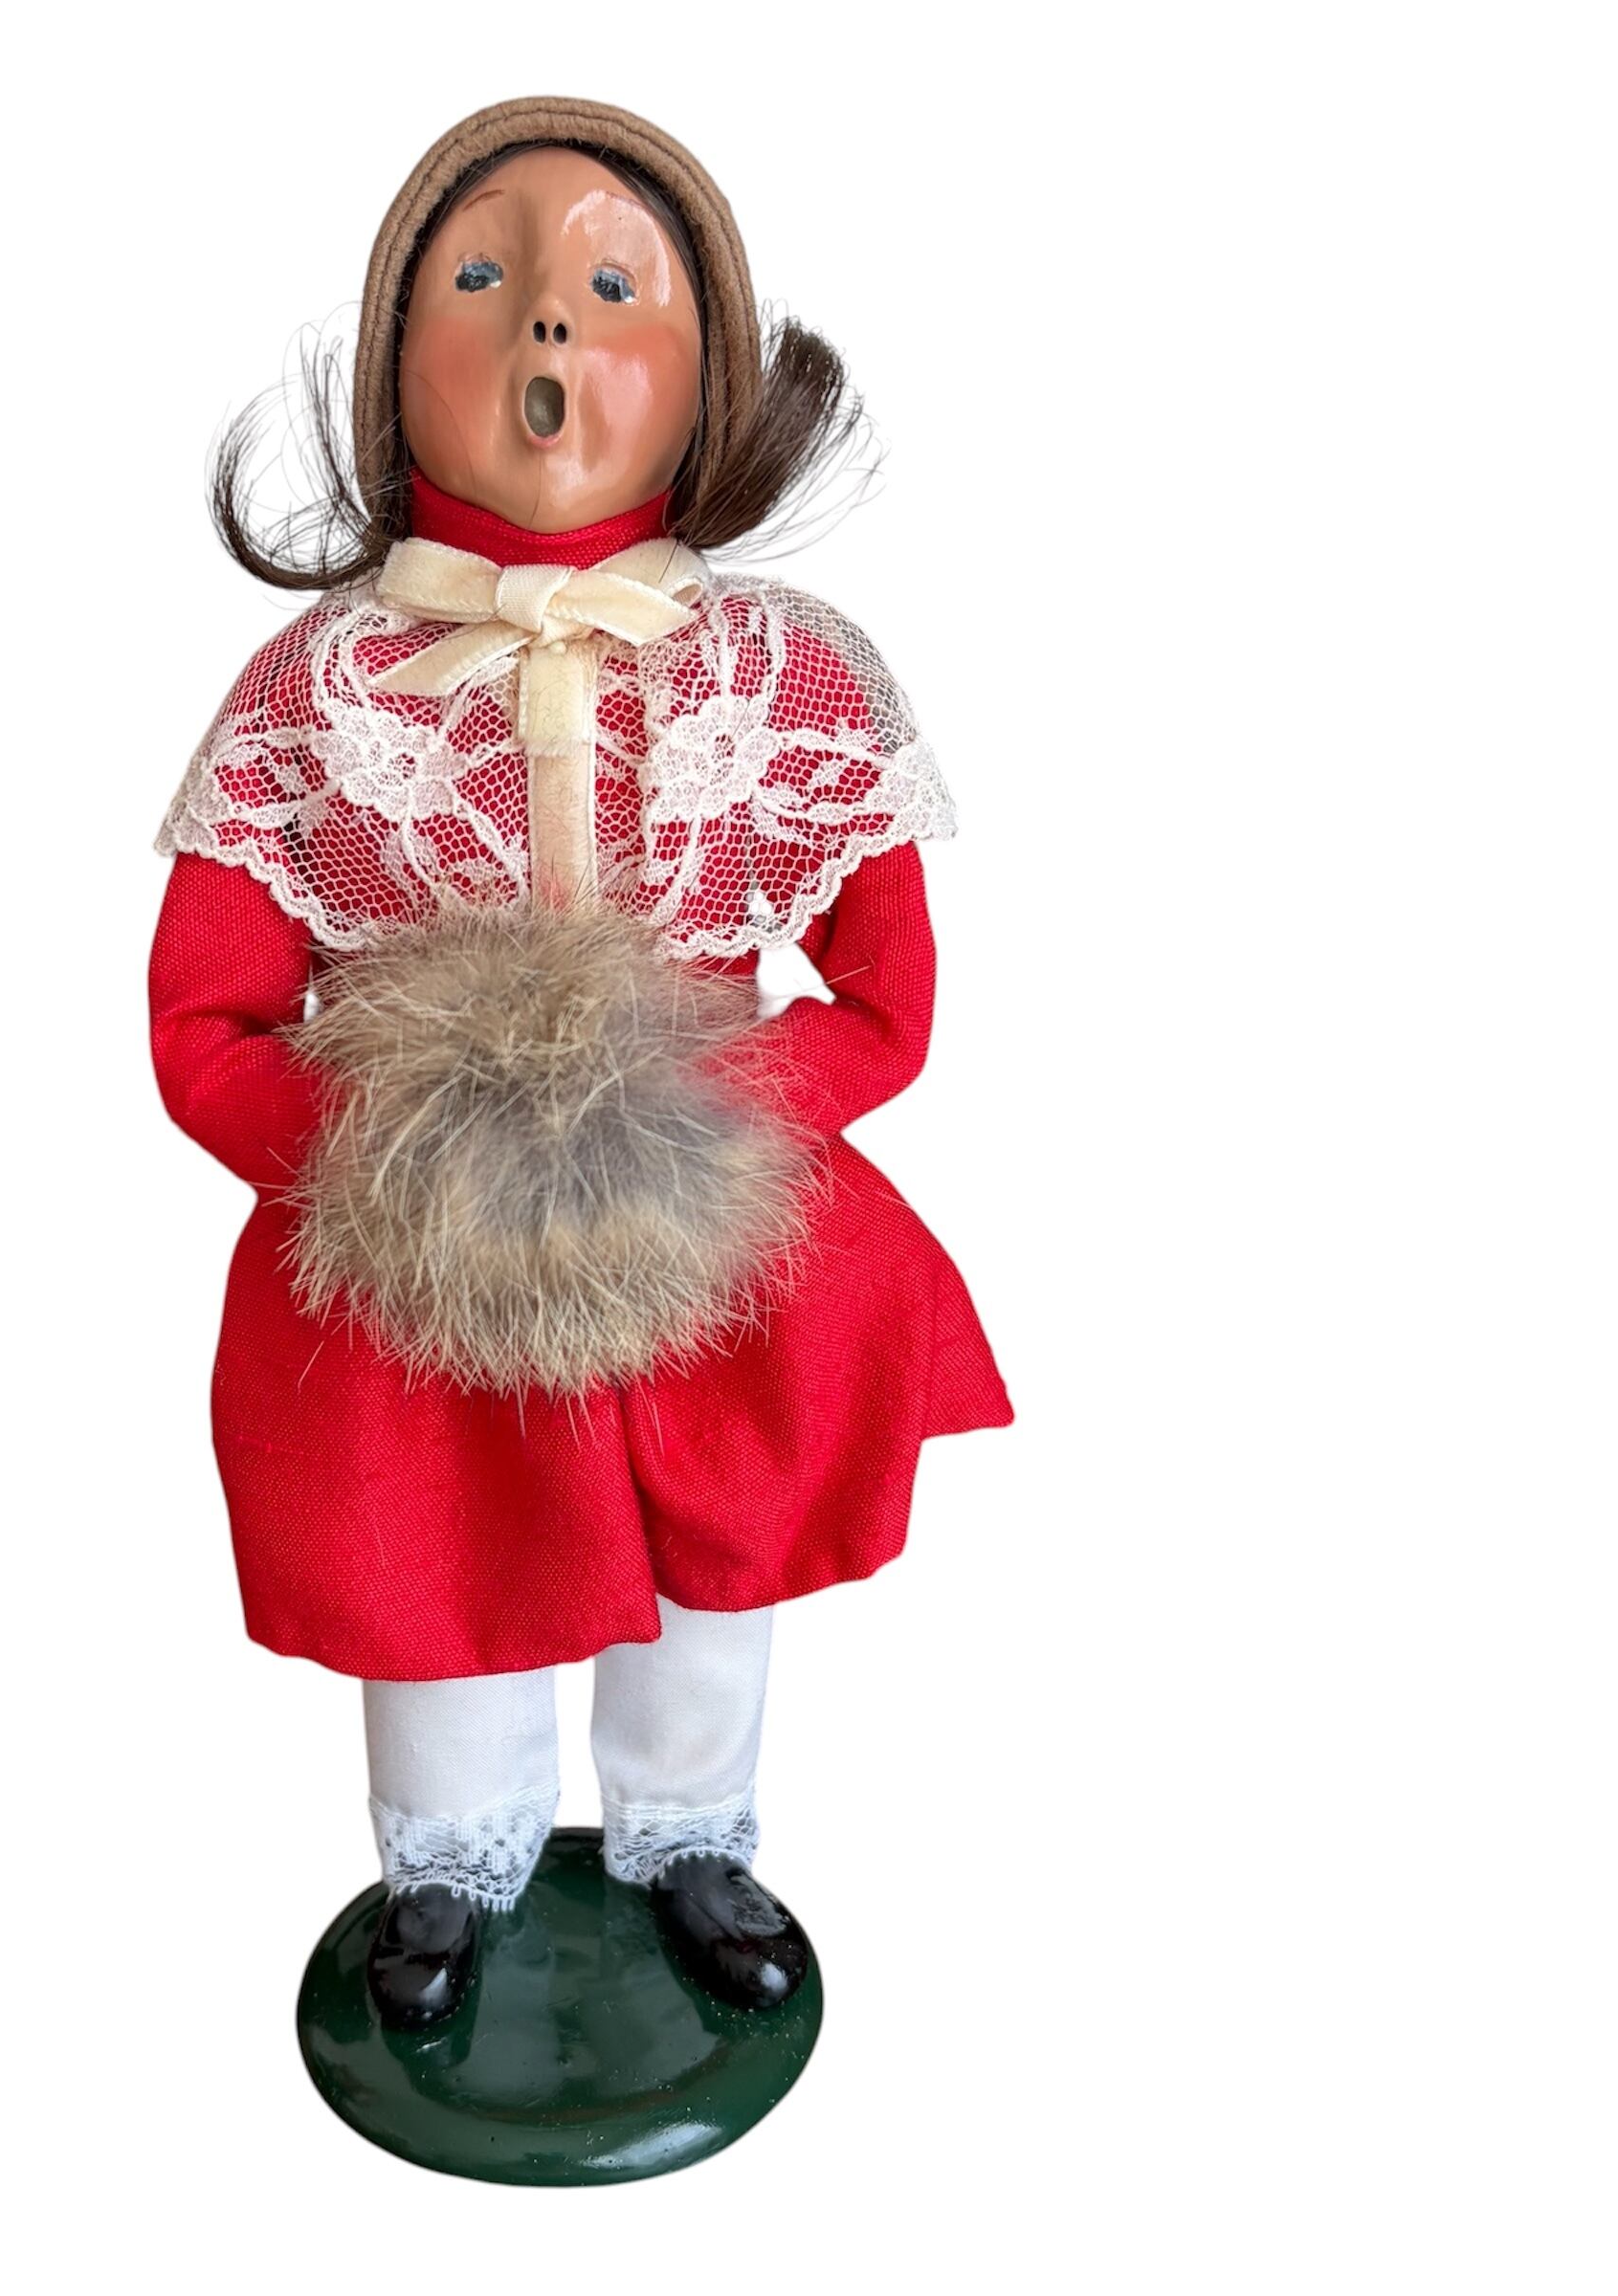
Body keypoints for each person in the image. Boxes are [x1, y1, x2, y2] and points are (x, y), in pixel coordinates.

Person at [148, 97, 1010, 2030]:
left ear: (712, 376)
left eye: (616, 288)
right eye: (484, 278)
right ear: (394, 369)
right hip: (413, 1243)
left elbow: (886, 996)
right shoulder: (316, 691)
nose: (548, 319)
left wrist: (708, 1127)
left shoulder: (781, 674)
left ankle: (689, 1830)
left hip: (711, 1228)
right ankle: (446, 1863)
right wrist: (394, 1167)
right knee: (434, 1552)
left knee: (718, 1550)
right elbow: (202, 1024)